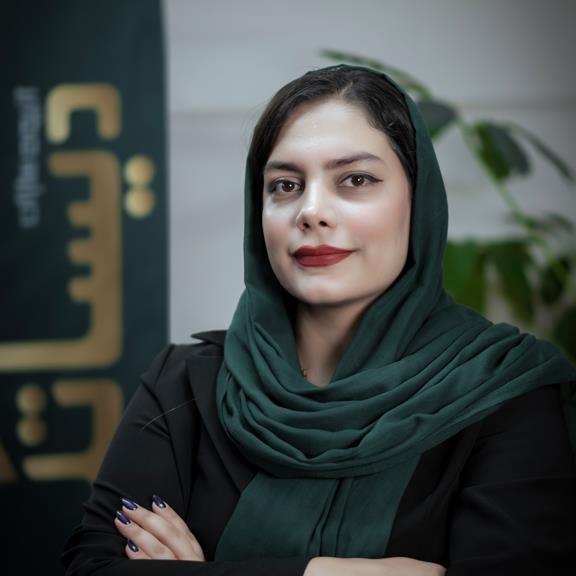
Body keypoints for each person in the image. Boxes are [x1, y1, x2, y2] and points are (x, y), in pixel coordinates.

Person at [61, 64, 576, 576]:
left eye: (355, 180)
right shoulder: (183, 383)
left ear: (419, 200)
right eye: (285, 185)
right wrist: (329, 572)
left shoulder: (506, 388)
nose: (310, 211)